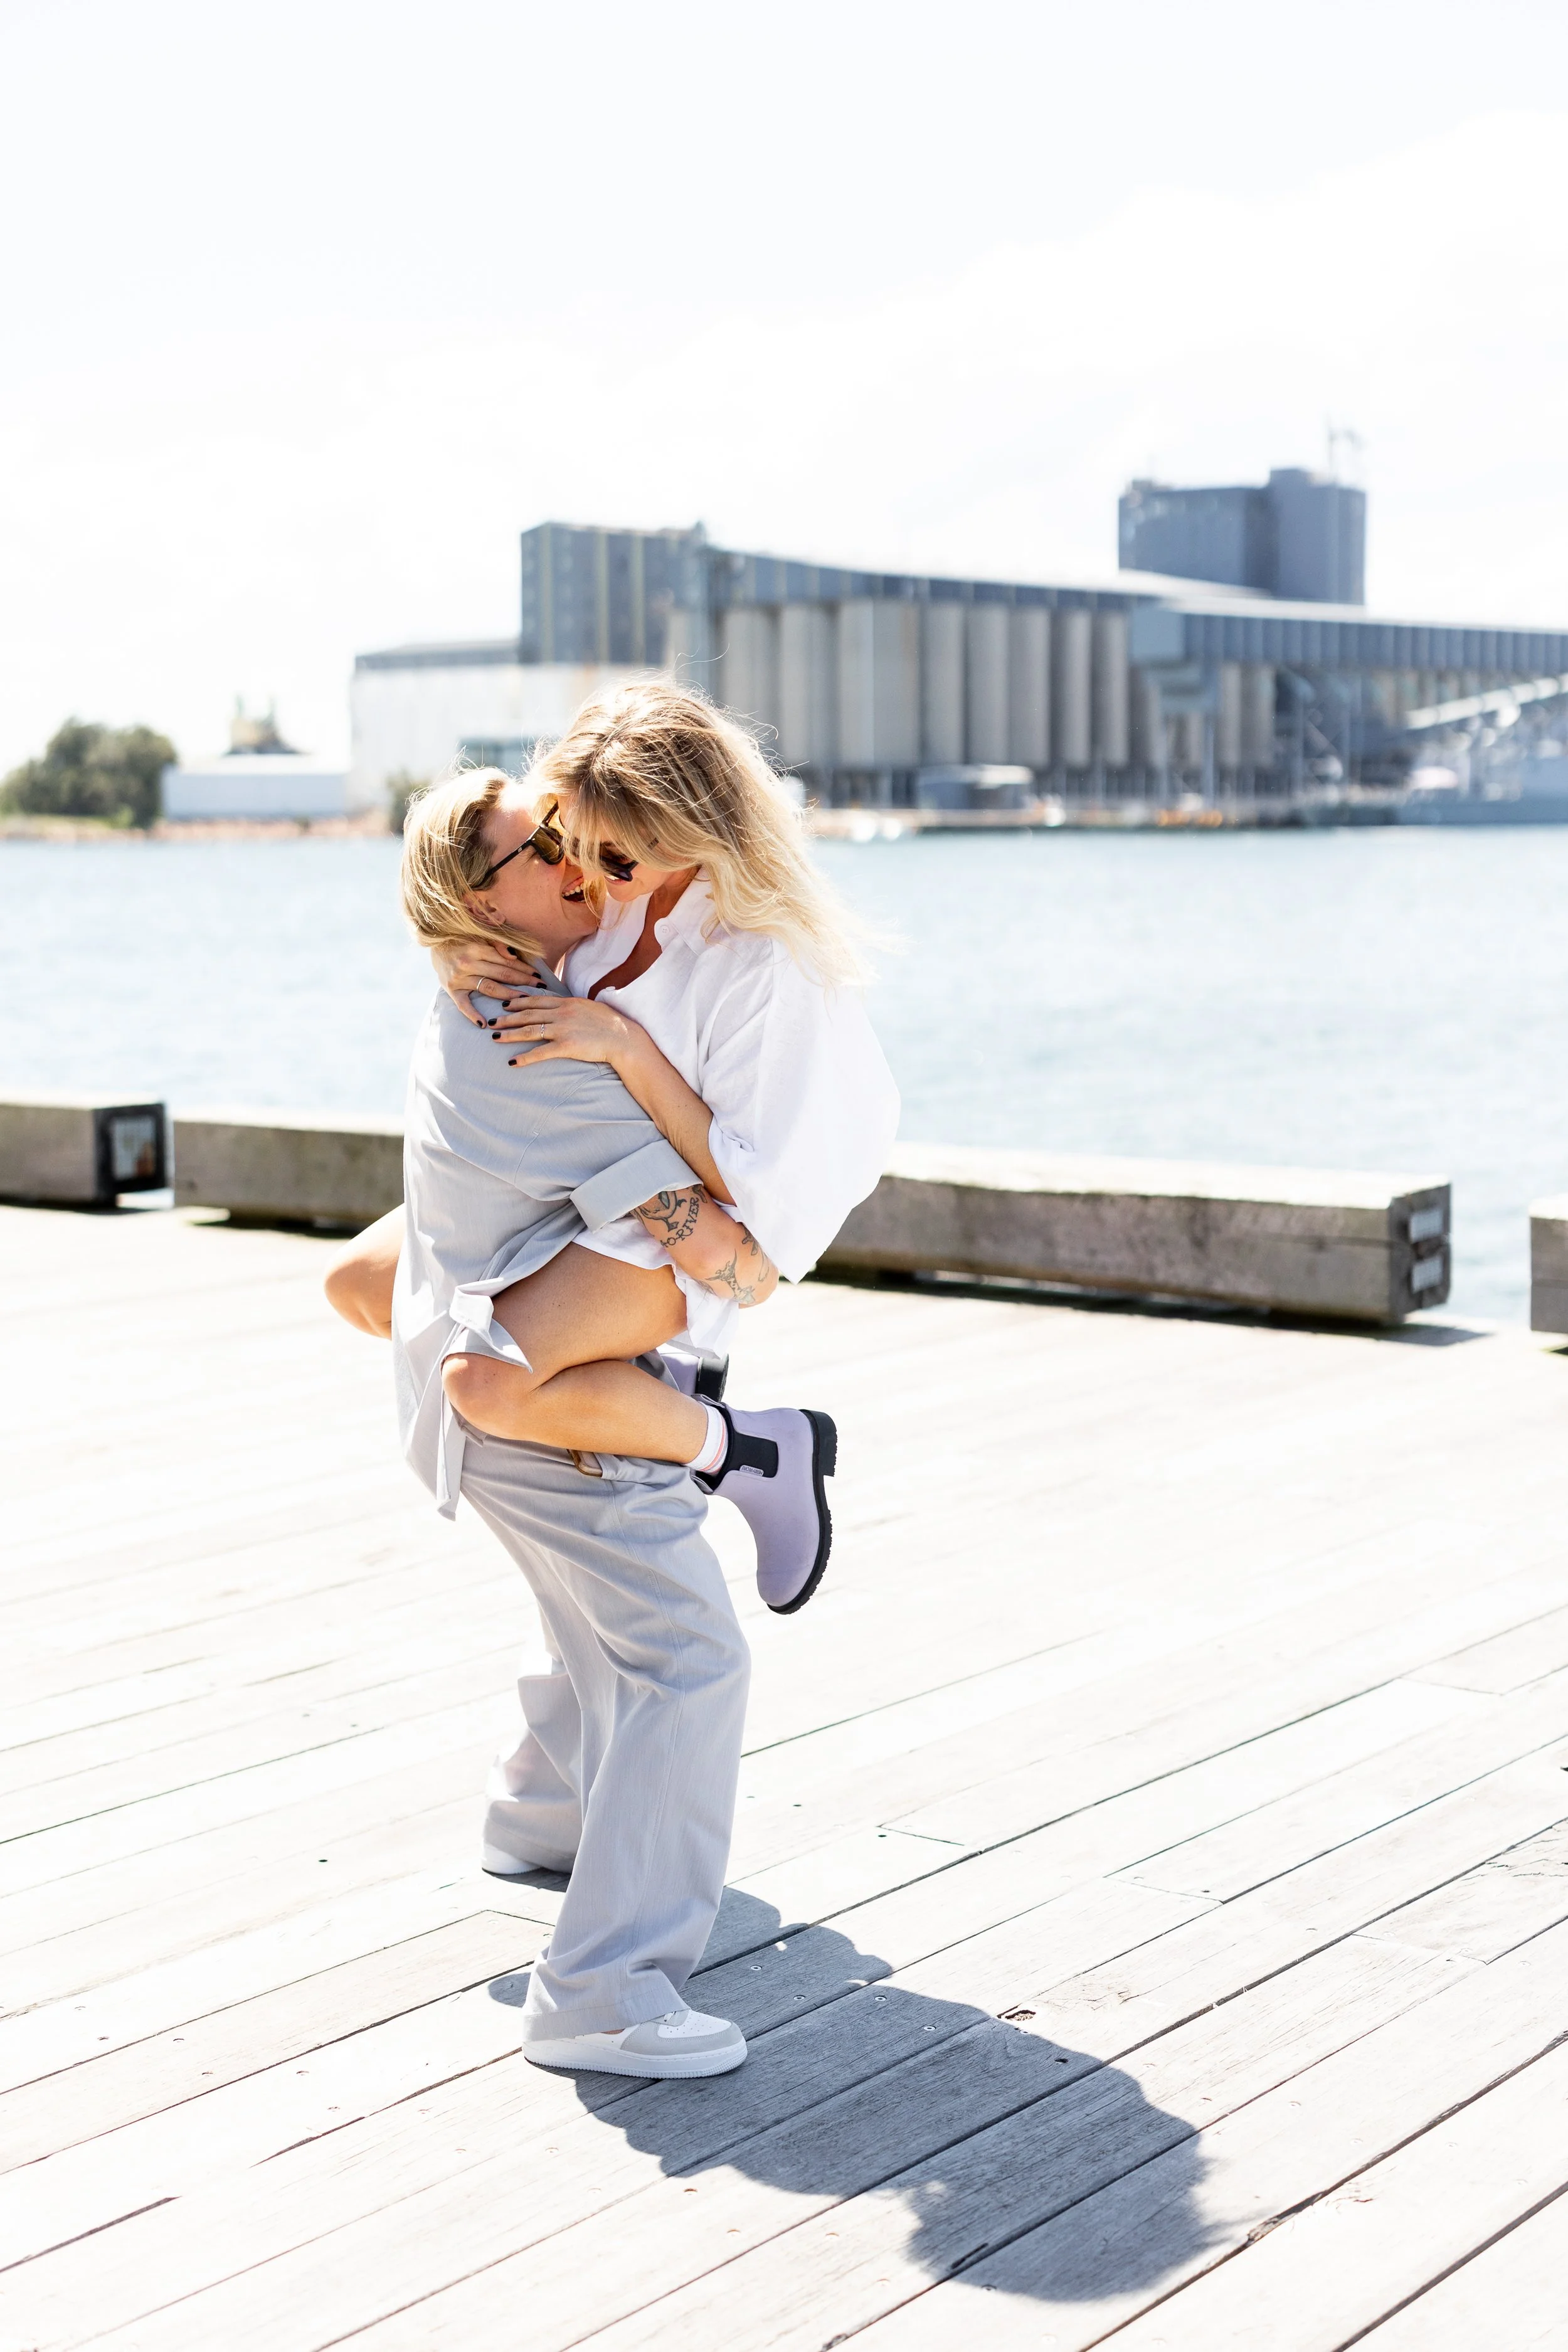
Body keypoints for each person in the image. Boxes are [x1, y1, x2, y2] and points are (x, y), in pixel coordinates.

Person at [332, 682, 901, 1611]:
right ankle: (597, 1412)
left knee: (481, 1381)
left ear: (687, 832)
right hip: (586, 1192)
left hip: (677, 1231)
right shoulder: (620, 895)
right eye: (567, 835)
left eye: (609, 853)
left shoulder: (763, 969)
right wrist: (458, 939)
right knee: (360, 1279)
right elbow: (506, 893)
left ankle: (746, 1449)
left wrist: (626, 1050)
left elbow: (752, 1203)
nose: (588, 870)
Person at [361, 778, 757, 2078]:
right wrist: (638, 1064)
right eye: (546, 846)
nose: (579, 855)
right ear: (485, 899)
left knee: (588, 1618)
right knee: (682, 1661)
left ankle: (541, 1819)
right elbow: (733, 1250)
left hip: (486, 1376)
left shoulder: (476, 992)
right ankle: (603, 1995)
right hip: (545, 1406)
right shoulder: (537, 1034)